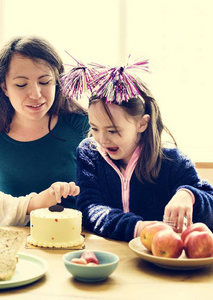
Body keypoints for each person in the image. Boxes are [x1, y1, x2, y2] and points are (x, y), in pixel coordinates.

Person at [64, 59, 213, 242]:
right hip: (109, 257)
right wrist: (137, 228)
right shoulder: (89, 153)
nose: (102, 140)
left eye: (113, 131)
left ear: (142, 123)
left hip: (161, 261)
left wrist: (189, 194)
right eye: (94, 128)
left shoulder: (172, 160)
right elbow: (88, 209)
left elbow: (208, 204)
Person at [0, 36, 90, 209]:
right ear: (4, 87)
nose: (35, 94)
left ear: (57, 81)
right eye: (21, 84)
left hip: (74, 233)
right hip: (9, 234)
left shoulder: (83, 127)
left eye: (44, 82)